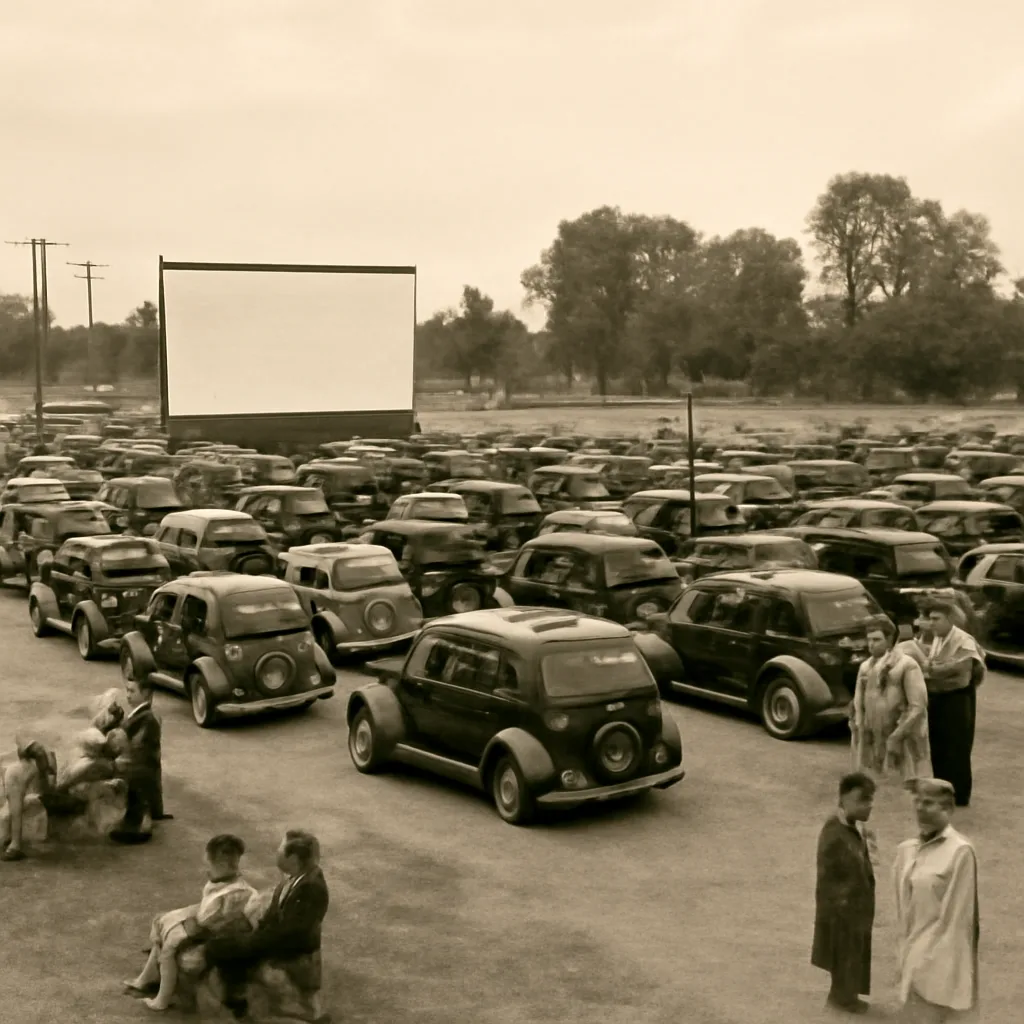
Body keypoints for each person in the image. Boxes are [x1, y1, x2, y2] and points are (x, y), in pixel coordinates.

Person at [204, 829, 330, 1022]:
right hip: (274, 936)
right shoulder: (294, 876)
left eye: (281, 849)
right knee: (227, 939)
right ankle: (238, 996)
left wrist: (251, 941)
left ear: (293, 858)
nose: (276, 852)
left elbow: (289, 933)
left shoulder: (311, 888)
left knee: (219, 947)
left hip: (291, 948)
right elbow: (274, 914)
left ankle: (238, 1002)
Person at [124, 834, 256, 1012]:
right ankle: (146, 978)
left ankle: (162, 999)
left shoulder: (235, 893)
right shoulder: (222, 882)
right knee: (162, 920)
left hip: (215, 933)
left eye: (209, 865)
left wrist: (180, 928)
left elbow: (207, 923)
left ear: (224, 865)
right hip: (206, 924)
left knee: (170, 945)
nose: (206, 870)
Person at [1, 690, 128, 862]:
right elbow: (57, 782)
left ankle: (14, 844)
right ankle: (14, 845)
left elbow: (59, 781)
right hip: (29, 781)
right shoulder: (88, 753)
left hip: (27, 779)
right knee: (14, 814)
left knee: (14, 814)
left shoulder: (91, 757)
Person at [894, 778, 980, 1021]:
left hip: (937, 969)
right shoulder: (906, 851)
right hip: (910, 962)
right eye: (918, 801)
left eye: (929, 803)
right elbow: (904, 911)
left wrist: (926, 964)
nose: (920, 808)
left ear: (948, 809)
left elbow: (957, 920)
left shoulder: (960, 852)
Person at [811, 772, 877, 1015]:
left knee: (853, 952)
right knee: (844, 953)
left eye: (870, 800)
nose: (868, 806)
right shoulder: (834, 832)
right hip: (842, 909)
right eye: (863, 800)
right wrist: (844, 903)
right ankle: (843, 997)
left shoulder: (852, 828)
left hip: (855, 906)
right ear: (843, 800)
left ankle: (846, 994)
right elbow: (829, 874)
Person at [916, 600, 985, 807]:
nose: (932, 623)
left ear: (950, 619)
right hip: (938, 698)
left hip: (957, 700)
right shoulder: (939, 639)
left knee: (956, 748)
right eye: (930, 618)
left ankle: (959, 795)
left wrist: (929, 669)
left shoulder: (964, 642)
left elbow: (956, 673)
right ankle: (942, 791)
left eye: (936, 619)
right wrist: (931, 668)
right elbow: (933, 667)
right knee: (938, 747)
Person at [850, 617, 931, 786]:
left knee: (904, 784)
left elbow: (918, 706)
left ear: (889, 640)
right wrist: (858, 726)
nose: (871, 644)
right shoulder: (865, 666)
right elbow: (858, 701)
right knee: (874, 784)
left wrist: (897, 735)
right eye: (869, 639)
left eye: (877, 639)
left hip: (900, 735)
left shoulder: (907, 665)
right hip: (873, 736)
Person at [110, 677, 163, 844]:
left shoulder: (147, 718)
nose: (127, 695)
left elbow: (130, 743)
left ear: (146, 693)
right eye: (127, 690)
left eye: (132, 691)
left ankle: (138, 826)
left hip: (140, 771)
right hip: (142, 769)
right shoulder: (143, 715)